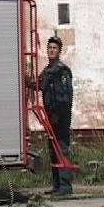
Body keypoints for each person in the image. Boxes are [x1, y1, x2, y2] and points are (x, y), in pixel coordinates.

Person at [39, 36, 74, 196]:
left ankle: (65, 186)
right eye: (49, 48)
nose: (51, 50)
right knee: (53, 150)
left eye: (54, 48)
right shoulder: (47, 71)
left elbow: (66, 97)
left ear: (59, 51)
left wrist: (58, 115)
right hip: (50, 116)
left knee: (62, 149)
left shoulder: (62, 71)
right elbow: (40, 85)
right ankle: (57, 185)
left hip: (60, 117)